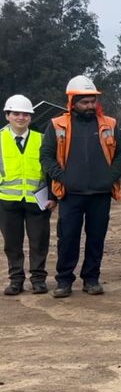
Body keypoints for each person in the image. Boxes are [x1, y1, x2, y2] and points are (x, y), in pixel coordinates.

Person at [40, 75, 121, 298]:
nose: (90, 106)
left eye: (93, 101)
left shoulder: (111, 124)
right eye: (85, 102)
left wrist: (110, 177)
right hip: (71, 194)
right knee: (67, 238)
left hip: (100, 194)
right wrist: (63, 178)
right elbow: (47, 157)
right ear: (72, 102)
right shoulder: (57, 125)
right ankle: (64, 280)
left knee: (96, 238)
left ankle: (91, 278)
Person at [0, 95, 55, 295]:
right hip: (7, 201)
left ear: (31, 117)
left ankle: (38, 279)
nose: (21, 117)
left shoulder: (41, 140)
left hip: (37, 201)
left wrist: (53, 196)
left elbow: (50, 171)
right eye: (16, 113)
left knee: (39, 241)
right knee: (12, 244)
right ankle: (16, 280)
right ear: (8, 115)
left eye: (26, 114)